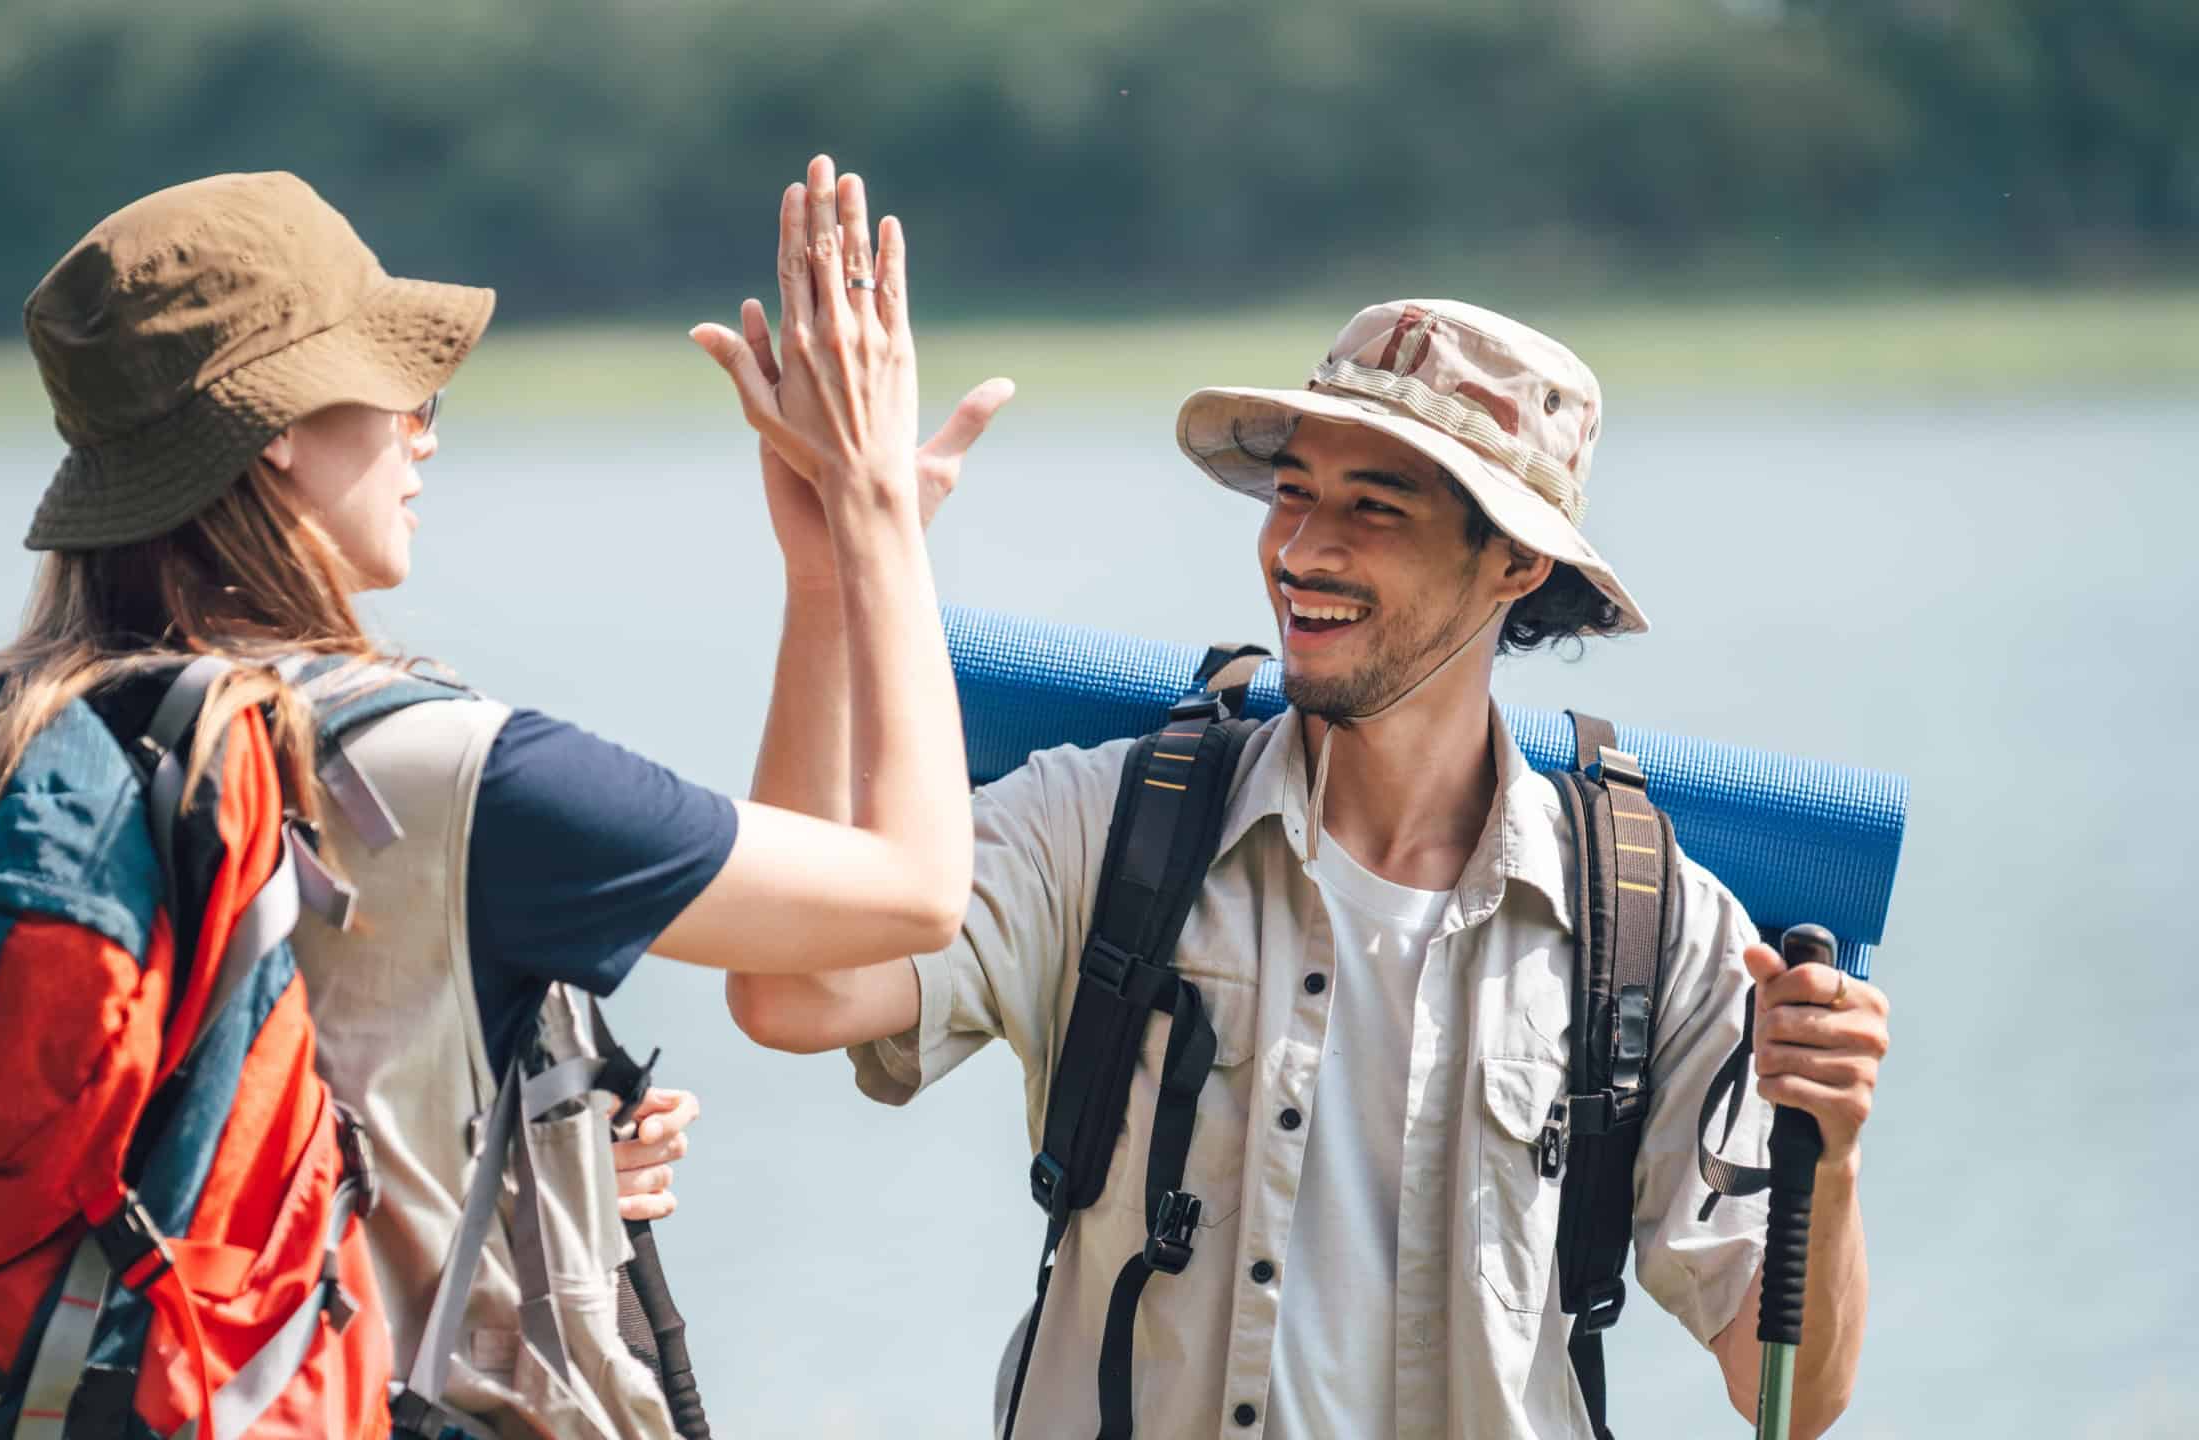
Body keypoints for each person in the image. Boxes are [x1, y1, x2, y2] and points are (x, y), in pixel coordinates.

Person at [0, 158, 1000, 1439]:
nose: (426, 434)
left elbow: (153, 1147)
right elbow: (904, 890)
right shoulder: (441, 773)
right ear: (274, 425)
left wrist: (543, 1172)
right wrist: (874, 511)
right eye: (408, 392)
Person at [720, 299, 1893, 1438]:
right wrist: (830, 575)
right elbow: (793, 989)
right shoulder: (1114, 826)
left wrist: (1828, 1160)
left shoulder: (1654, 923)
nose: (1302, 549)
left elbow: (1789, 1390)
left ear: (1517, 567)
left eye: (1375, 509)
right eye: (1293, 495)